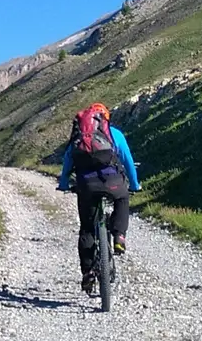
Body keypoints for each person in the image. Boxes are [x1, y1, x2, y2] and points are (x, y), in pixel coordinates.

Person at [56, 102, 140, 295]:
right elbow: (127, 161)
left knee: (86, 228)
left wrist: (63, 184)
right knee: (122, 198)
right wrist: (134, 185)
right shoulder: (114, 134)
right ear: (104, 119)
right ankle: (119, 235)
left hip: (86, 185)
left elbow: (68, 163)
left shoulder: (78, 138)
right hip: (112, 181)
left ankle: (87, 272)